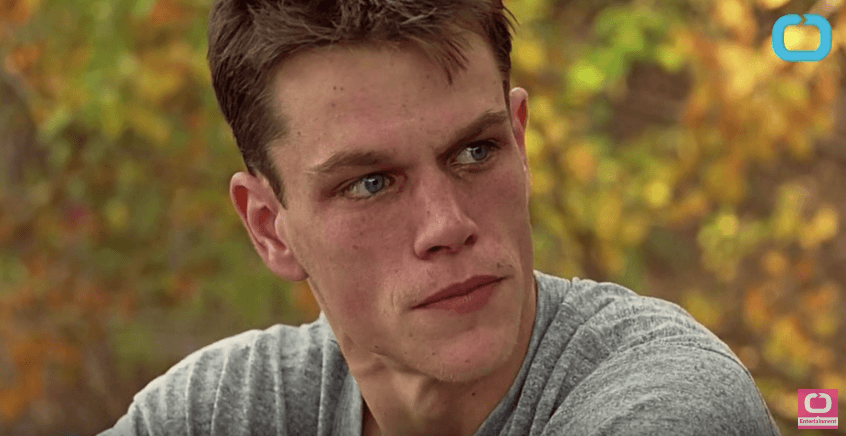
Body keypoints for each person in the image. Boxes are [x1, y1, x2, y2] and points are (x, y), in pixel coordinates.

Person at [99, 0, 782, 435]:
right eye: (370, 184)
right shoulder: (221, 410)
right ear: (269, 227)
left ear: (519, 140)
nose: (446, 224)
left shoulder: (663, 401)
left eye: (475, 151)